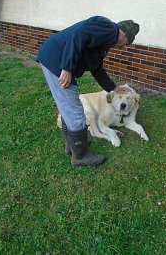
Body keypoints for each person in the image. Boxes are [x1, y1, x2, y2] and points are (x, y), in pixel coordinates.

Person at [36, 16, 140, 167]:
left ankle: (72, 145)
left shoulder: (106, 39)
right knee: (75, 111)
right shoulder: (108, 28)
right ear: (124, 34)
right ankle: (81, 156)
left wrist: (112, 88)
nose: (123, 47)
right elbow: (77, 36)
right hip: (57, 62)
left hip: (55, 58)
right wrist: (67, 67)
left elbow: (95, 66)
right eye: (126, 43)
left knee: (68, 108)